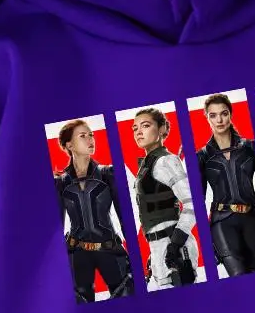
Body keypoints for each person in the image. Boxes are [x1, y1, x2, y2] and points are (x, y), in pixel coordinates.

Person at [54, 119, 134, 302]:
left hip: (110, 250)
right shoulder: (59, 182)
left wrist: (135, 255)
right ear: (69, 145)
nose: (90, 139)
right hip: (76, 254)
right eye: (83, 136)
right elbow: (56, 228)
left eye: (91, 135)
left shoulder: (109, 173)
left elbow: (126, 219)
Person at [196, 93, 255, 276]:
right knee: (239, 278)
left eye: (224, 113)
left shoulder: (251, 147)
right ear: (207, 118)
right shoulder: (202, 156)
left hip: (254, 218)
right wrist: (204, 238)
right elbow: (198, 201)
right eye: (213, 115)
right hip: (222, 223)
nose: (219, 120)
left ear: (230, 114)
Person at [131, 107, 199, 288]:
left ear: (161, 129)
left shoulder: (165, 161)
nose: (138, 132)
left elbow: (193, 203)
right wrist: (155, 251)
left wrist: (175, 244)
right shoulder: (148, 163)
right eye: (135, 128)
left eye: (145, 126)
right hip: (160, 248)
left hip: (176, 249)